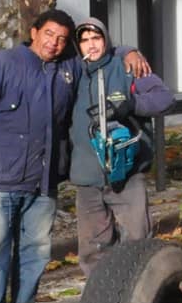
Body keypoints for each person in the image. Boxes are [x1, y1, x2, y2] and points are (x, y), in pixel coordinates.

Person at [0, 8, 147, 303]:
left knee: (36, 251)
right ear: (34, 32)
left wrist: (129, 51)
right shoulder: (2, 64)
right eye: (49, 35)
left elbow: (98, 52)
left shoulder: (67, 69)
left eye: (62, 40)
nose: (54, 44)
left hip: (42, 180)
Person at [69, 16, 172, 276]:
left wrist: (132, 105)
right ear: (78, 45)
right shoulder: (73, 75)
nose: (91, 45)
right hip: (87, 175)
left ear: (106, 40)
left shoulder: (127, 67)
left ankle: (139, 295)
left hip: (127, 171)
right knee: (93, 248)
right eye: (84, 41)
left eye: (96, 38)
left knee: (137, 240)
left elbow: (164, 98)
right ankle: (101, 297)